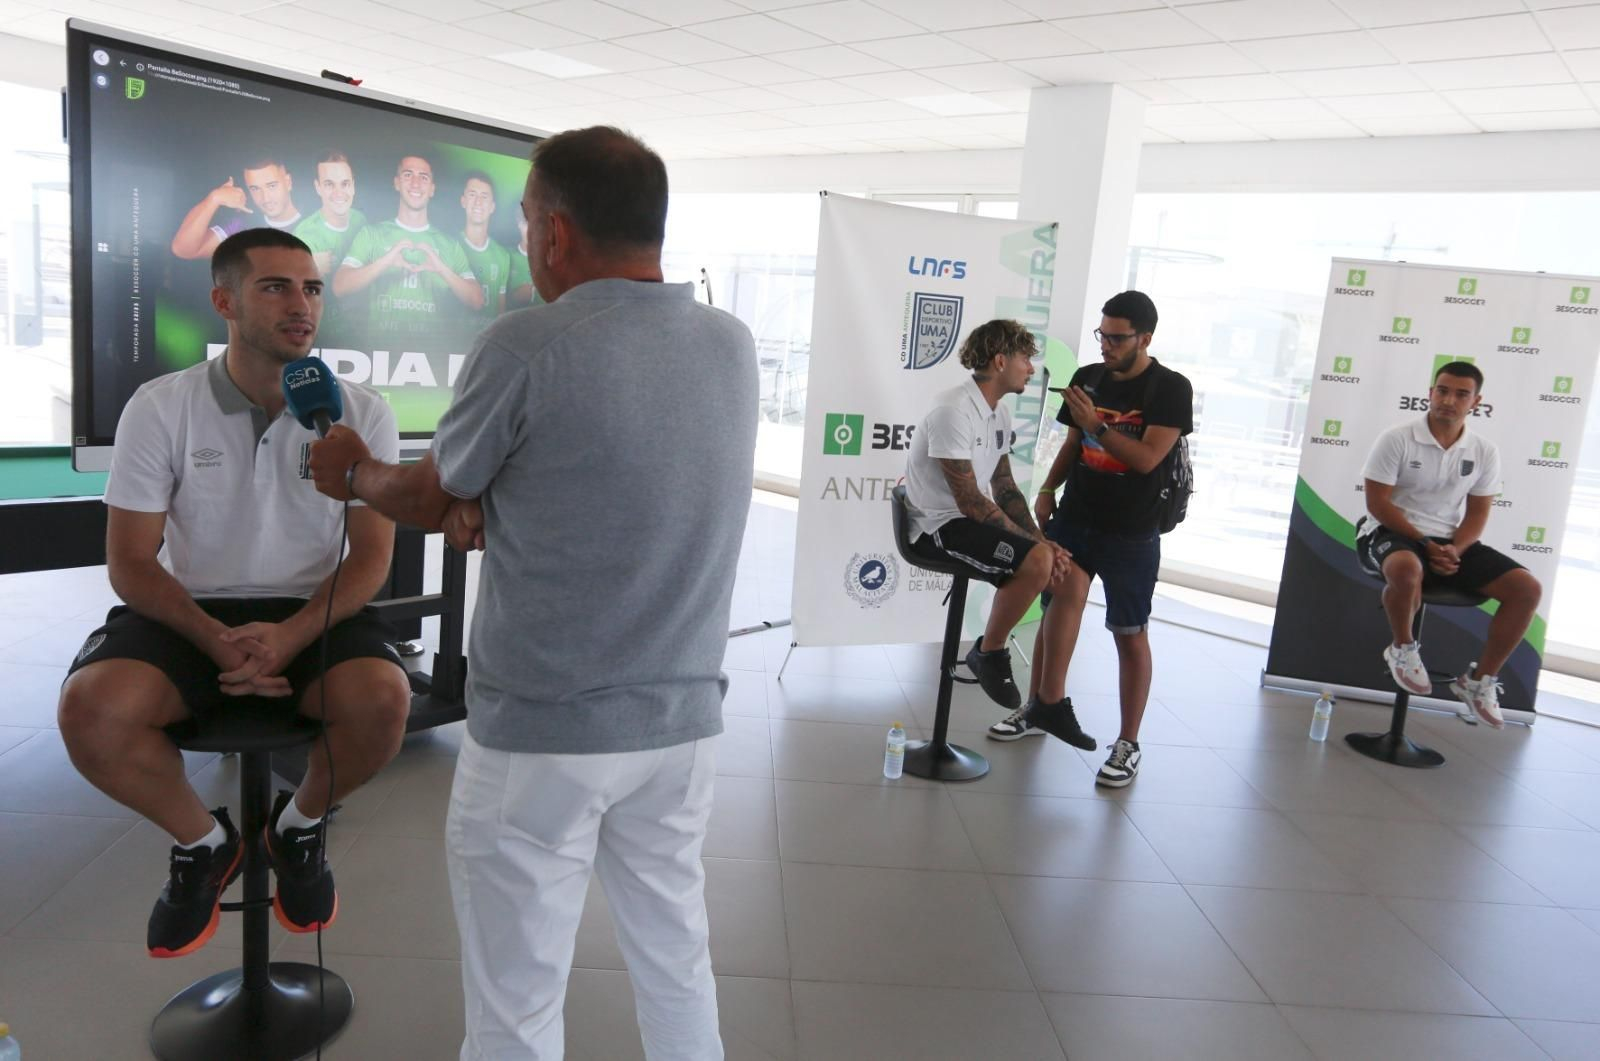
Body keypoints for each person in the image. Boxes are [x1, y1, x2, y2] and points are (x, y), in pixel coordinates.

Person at [306, 125, 757, 1059]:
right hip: (680, 726)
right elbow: (615, 473)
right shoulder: (731, 343)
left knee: (516, 1001)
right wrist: (493, 499)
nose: (522, 240)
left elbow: (431, 495)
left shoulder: (526, 342)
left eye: (522, 221)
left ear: (555, 232)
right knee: (677, 960)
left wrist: (355, 470)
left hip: (544, 736)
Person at [56, 228, 411, 959]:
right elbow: (131, 562)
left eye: (311, 288)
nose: (301, 304)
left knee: (385, 702)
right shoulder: (160, 406)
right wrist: (216, 638)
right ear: (224, 302)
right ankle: (203, 842)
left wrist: (292, 634)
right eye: (275, 287)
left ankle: (298, 828)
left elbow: (372, 559)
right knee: (90, 710)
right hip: (190, 610)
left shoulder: (360, 411)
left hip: (314, 609)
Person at [1004, 291, 1193, 791]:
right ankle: (1041, 707)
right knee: (1054, 613)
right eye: (1102, 335)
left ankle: (1128, 742)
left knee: (1129, 634)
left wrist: (1097, 425)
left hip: (1133, 532)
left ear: (1145, 338)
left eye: (1117, 338)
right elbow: (1073, 444)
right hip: (1075, 519)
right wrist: (1048, 489)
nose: (1106, 345)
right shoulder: (1088, 377)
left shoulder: (1170, 388)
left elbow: (1147, 459)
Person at [901, 319, 1083, 738]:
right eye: (1025, 360)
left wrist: (1042, 540)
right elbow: (969, 500)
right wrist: (1038, 548)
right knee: (1038, 561)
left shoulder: (998, 411)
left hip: (965, 520)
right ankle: (989, 651)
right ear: (1000, 361)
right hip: (937, 527)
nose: (1031, 369)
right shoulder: (952, 410)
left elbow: (1004, 486)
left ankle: (1042, 698)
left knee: (1053, 564)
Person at [1359, 361, 1540, 728]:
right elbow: (1377, 504)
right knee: (1407, 569)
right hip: (1388, 531)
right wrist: (1425, 543)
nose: (1448, 400)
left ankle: (1479, 682)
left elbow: (1477, 514)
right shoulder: (1397, 438)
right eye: (1442, 391)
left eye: (1461, 394)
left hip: (1447, 540)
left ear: (1476, 402)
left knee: (1527, 588)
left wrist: (1455, 549)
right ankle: (1403, 649)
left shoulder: (1484, 450)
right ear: (1430, 393)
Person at [332, 153, 483, 341]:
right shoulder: (371, 234)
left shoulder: (449, 245)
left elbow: (477, 300)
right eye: (408, 175)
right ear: (397, 183)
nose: (416, 183)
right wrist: (385, 262)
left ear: (432, 189)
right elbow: (339, 287)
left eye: (424, 177)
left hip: (433, 353)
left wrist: (442, 269)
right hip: (379, 350)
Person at [170, 157, 302, 260]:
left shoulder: (312, 218)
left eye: (272, 186)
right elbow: (184, 250)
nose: (265, 198)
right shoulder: (242, 227)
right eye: (255, 189)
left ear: (288, 182)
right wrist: (214, 199)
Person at [294, 150, 366, 278]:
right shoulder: (304, 235)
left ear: (353, 186)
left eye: (345, 184)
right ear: (318, 187)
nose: (338, 193)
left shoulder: (360, 219)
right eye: (329, 184)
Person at [458, 170, 512, 325]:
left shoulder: (502, 256)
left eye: (484, 196)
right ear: (463, 201)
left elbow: (500, 312)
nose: (478, 202)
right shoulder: (450, 245)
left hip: (487, 339)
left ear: (492, 206)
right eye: (472, 194)